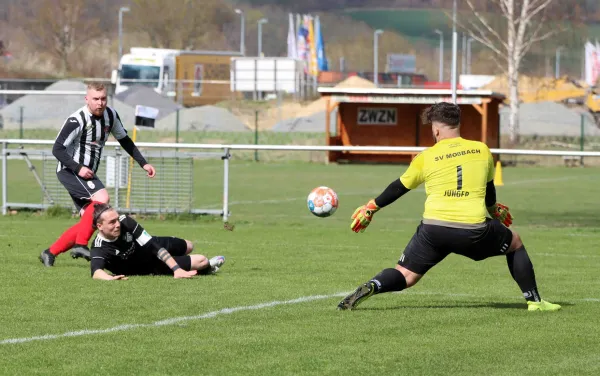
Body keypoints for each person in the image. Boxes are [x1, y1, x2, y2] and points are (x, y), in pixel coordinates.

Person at [338, 102, 561, 312]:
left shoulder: (426, 157)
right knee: (515, 242)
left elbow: (398, 188)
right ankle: (535, 301)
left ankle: (373, 285)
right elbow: (489, 190)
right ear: (457, 125)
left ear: (435, 131)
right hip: (473, 230)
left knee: (405, 275)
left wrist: (371, 207)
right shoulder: (482, 150)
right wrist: (494, 210)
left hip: (433, 229)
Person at [39, 82, 156, 267]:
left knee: (94, 219)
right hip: (70, 170)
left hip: (87, 174)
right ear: (87, 99)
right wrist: (78, 168)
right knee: (102, 198)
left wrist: (144, 163)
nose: (100, 103)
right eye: (95, 99)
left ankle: (50, 252)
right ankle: (80, 245)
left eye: (103, 99)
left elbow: (124, 139)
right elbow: (57, 149)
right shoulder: (77, 119)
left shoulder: (111, 115)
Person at [90, 203, 225, 280]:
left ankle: (180, 264)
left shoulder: (126, 221)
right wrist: (110, 278)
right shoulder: (98, 247)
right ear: (100, 226)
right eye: (112, 222)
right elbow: (96, 272)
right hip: (148, 265)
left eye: (117, 219)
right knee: (202, 261)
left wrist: (176, 269)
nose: (117, 224)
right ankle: (207, 269)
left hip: (150, 244)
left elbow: (153, 246)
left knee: (189, 245)